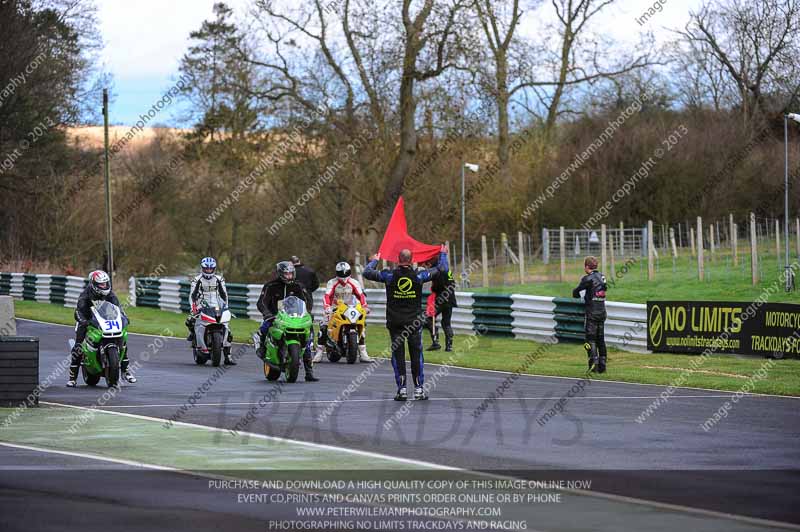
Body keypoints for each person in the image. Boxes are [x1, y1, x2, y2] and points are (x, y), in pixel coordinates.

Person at [363, 246, 448, 401]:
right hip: (413, 323)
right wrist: (443, 254)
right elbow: (442, 269)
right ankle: (418, 390)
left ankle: (402, 390)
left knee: (398, 356)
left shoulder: (389, 275)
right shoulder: (419, 276)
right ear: (412, 259)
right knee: (417, 356)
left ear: (398, 259)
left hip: (395, 322)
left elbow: (367, 273)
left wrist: (375, 260)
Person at [67, 270, 136, 387]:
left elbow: (119, 310)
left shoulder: (111, 295)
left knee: (122, 340)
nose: (104, 286)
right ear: (94, 284)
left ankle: (125, 371)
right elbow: (78, 312)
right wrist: (84, 321)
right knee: (79, 345)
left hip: (104, 321)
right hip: (87, 320)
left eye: (106, 283)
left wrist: (124, 318)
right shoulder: (85, 295)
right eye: (101, 284)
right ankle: (72, 377)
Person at [256, 261, 318, 382]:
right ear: (280, 274)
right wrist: (267, 314)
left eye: (290, 274)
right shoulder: (270, 286)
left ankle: (309, 371)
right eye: (286, 274)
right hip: (275, 316)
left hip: (295, 317)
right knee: (264, 328)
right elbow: (261, 302)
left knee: (309, 337)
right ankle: (262, 347)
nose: (289, 276)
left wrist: (308, 313)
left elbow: (307, 300)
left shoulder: (298, 286)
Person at [314, 261, 373, 363]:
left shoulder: (354, 282)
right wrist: (327, 307)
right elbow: (327, 296)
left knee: (362, 326)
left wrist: (365, 306)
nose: (344, 275)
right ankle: (319, 353)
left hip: (350, 307)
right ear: (337, 273)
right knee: (324, 325)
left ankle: (363, 353)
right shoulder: (332, 282)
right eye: (342, 273)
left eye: (346, 272)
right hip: (335, 308)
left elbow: (361, 295)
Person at [185, 257, 236, 365]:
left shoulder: (219, 279)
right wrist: (193, 308)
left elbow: (224, 294)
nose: (208, 270)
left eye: (210, 269)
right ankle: (193, 336)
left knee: (227, 328)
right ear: (202, 268)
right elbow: (192, 295)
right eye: (206, 268)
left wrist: (226, 306)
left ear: (214, 269)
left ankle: (228, 356)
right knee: (190, 321)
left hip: (217, 306)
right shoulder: (197, 280)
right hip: (201, 305)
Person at [572, 256, 608, 373]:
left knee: (590, 340)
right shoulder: (602, 277)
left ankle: (593, 364)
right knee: (601, 339)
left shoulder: (587, 278)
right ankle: (602, 366)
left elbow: (576, 291)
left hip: (592, 313)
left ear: (587, 267)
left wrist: (576, 294)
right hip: (602, 312)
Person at [423, 261, 457, 352]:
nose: (426, 267)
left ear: (431, 264)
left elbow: (437, 286)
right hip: (450, 299)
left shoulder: (437, 271)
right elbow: (452, 283)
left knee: (428, 318)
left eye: (427, 265)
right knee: (446, 323)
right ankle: (449, 346)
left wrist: (433, 289)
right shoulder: (447, 269)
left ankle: (436, 342)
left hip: (441, 300)